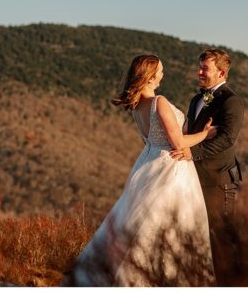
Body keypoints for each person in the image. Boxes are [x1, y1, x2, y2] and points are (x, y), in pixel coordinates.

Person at [64, 54, 216, 286]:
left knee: (142, 224)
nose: (163, 75)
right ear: (150, 76)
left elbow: (152, 139)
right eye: (160, 71)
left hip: (148, 162)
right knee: (170, 223)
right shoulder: (159, 102)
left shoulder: (137, 106)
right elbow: (178, 143)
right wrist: (206, 134)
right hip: (170, 166)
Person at [170, 49, 246, 286]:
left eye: (205, 69)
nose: (199, 72)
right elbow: (192, 134)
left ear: (221, 72)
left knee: (222, 233)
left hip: (219, 179)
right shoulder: (196, 100)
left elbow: (227, 139)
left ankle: (238, 280)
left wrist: (192, 153)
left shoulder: (231, 101)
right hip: (194, 179)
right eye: (200, 67)